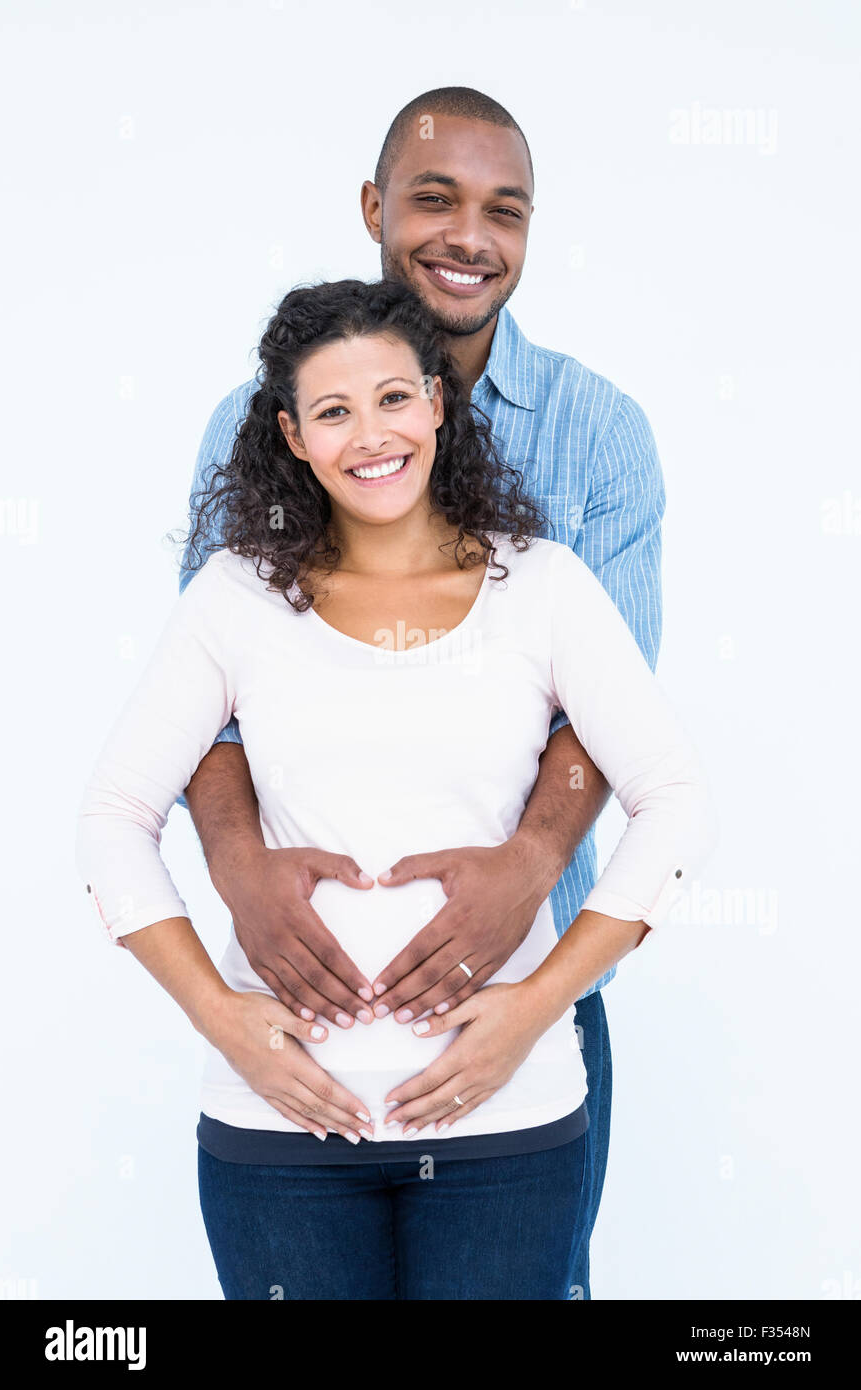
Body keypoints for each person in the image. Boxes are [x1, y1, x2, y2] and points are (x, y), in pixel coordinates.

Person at [77, 277, 716, 1300]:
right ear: (290, 436)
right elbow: (113, 817)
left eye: (392, 398)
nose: (369, 434)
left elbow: (672, 794)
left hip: (503, 1124)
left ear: (436, 402)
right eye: (331, 411)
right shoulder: (234, 597)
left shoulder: (540, 584)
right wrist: (217, 1013)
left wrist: (537, 1004)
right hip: (280, 1135)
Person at [176, 87, 668, 1298]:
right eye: (434, 198)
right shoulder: (255, 430)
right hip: (305, 1003)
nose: (468, 235)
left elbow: (612, 728)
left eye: (504, 210)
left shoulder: (596, 433)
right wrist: (238, 870)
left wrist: (525, 866)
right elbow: (202, 711)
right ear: (373, 209)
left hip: (524, 994)